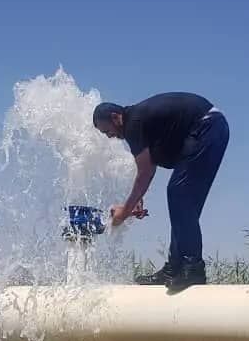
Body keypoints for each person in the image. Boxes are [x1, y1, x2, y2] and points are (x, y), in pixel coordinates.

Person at [93, 92, 229, 290]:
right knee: (181, 199)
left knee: (179, 193)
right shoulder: (136, 121)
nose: (110, 136)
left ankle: (193, 268)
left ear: (116, 117)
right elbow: (147, 167)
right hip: (208, 127)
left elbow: (145, 173)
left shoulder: (133, 124)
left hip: (207, 126)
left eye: (108, 131)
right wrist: (137, 200)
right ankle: (174, 267)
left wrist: (123, 212)